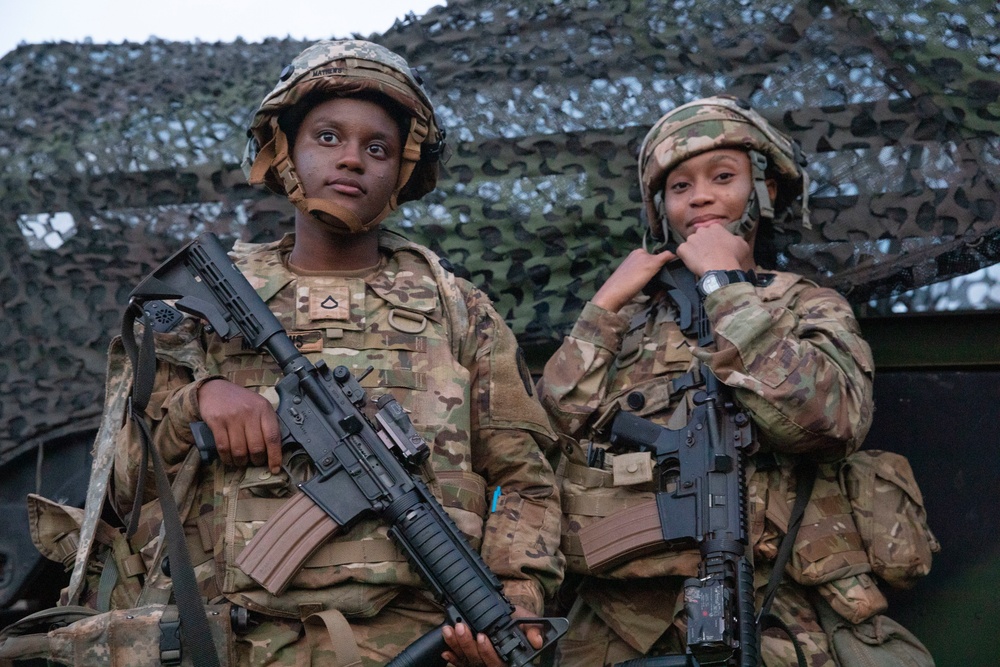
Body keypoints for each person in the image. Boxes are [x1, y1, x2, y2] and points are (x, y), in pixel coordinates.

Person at [103, 40, 563, 666]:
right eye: (326, 137)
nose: (351, 159)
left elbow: (525, 481)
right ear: (283, 150)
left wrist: (512, 603)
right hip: (230, 641)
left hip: (421, 642)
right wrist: (199, 402)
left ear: (401, 169)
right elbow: (119, 486)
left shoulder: (458, 308)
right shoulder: (204, 300)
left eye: (378, 148)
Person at [537, 96, 930, 666]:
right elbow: (545, 436)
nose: (700, 196)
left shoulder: (804, 304)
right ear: (659, 211)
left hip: (771, 609)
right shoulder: (627, 318)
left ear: (762, 192)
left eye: (723, 177)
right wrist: (602, 309)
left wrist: (725, 286)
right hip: (620, 627)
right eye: (679, 187)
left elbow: (832, 422)